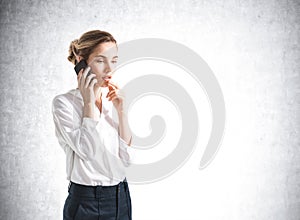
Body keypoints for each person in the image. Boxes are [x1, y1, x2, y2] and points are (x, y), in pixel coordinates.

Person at [52, 30, 132, 220]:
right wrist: (89, 104)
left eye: (113, 60)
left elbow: (125, 158)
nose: (109, 69)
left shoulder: (112, 99)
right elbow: (87, 151)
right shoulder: (63, 103)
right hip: (86, 201)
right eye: (100, 60)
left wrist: (121, 111)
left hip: (121, 196)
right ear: (82, 61)